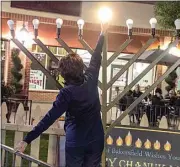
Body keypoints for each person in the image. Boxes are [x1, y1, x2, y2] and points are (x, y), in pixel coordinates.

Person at [14, 23, 109, 167]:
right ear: (81, 67)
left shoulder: (66, 93)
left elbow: (49, 118)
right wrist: (102, 33)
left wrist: (27, 139)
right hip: (96, 139)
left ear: (64, 74)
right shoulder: (91, 78)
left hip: (76, 141)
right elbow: (96, 56)